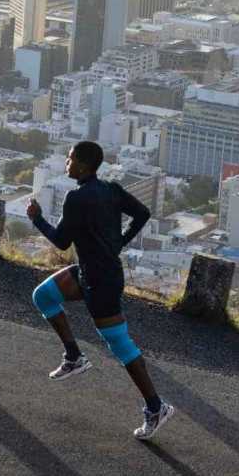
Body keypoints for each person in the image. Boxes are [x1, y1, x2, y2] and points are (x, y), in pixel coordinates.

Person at [26, 140, 174, 440]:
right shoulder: (111, 189)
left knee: (121, 345)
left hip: (100, 281)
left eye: (69, 159)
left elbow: (61, 241)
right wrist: (121, 240)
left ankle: (156, 407)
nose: (66, 163)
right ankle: (74, 356)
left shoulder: (76, 197)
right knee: (43, 295)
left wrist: (36, 218)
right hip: (93, 272)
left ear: (82, 164)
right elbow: (143, 213)